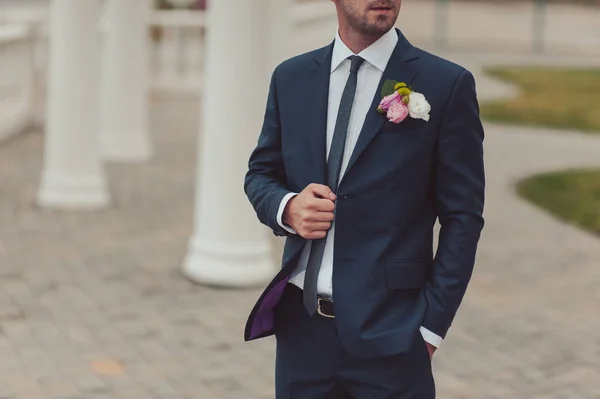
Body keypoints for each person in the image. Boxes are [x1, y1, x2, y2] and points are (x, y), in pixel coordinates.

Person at [243, 0, 485, 397]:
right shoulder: (291, 78)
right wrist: (287, 207)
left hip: (394, 334)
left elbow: (463, 217)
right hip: (301, 334)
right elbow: (261, 174)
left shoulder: (446, 84)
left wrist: (430, 328)